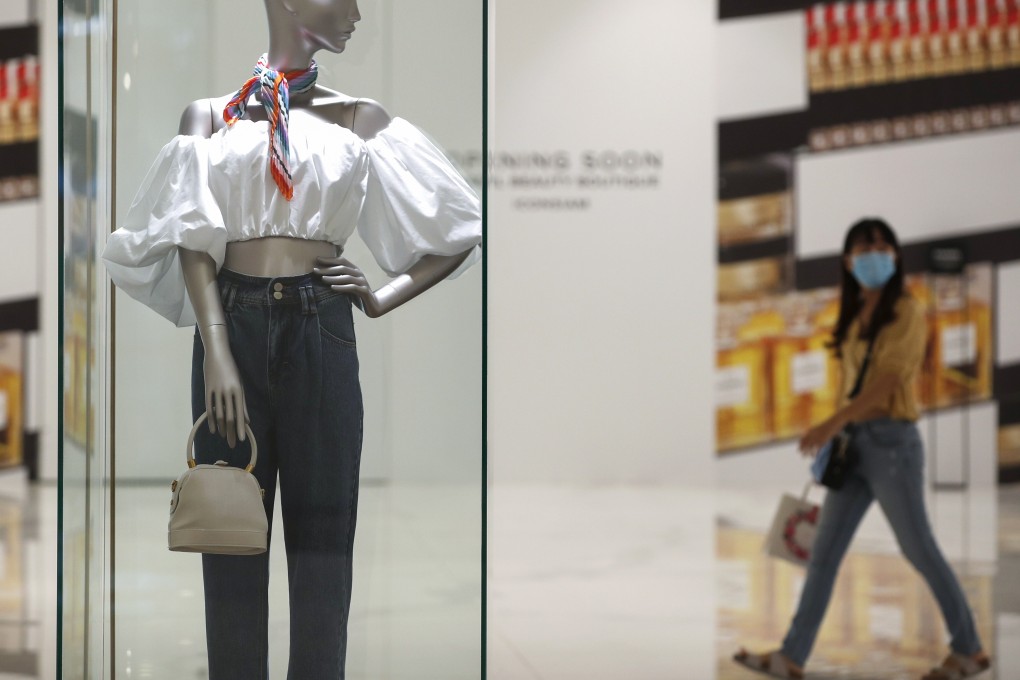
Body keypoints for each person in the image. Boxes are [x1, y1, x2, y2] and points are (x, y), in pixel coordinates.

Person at [102, 1, 481, 678]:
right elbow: (194, 238)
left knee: (324, 543)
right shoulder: (210, 116)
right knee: (230, 535)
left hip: (321, 325)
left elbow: (456, 228)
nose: (358, 11)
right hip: (232, 326)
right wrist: (216, 348)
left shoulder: (358, 118)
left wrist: (381, 295)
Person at [733, 218, 990, 680]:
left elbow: (890, 378)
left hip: (892, 444)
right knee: (824, 554)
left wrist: (832, 422)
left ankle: (969, 649)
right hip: (855, 446)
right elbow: (851, 383)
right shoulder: (853, 313)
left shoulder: (907, 310)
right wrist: (836, 433)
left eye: (883, 244)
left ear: (894, 254)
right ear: (849, 261)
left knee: (919, 550)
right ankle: (791, 657)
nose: (875, 253)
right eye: (864, 246)